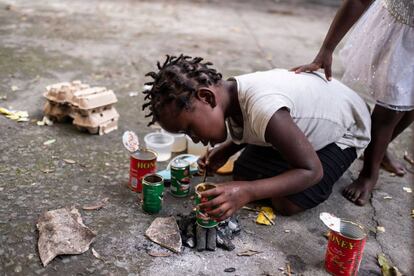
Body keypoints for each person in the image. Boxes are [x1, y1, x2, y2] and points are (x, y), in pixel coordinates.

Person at [142, 54, 371, 218]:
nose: (193, 139)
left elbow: (312, 171)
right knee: (242, 172)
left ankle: (314, 158)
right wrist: (227, 149)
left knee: (287, 202)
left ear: (207, 98)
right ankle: (289, 158)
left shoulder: (265, 109)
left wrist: (247, 192)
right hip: (301, 121)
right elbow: (249, 125)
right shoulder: (231, 95)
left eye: (190, 129)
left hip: (346, 129)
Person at [292, 0, 414, 206]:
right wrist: (327, 49)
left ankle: (379, 150)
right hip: (401, 34)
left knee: (409, 102)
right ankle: (369, 173)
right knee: (390, 110)